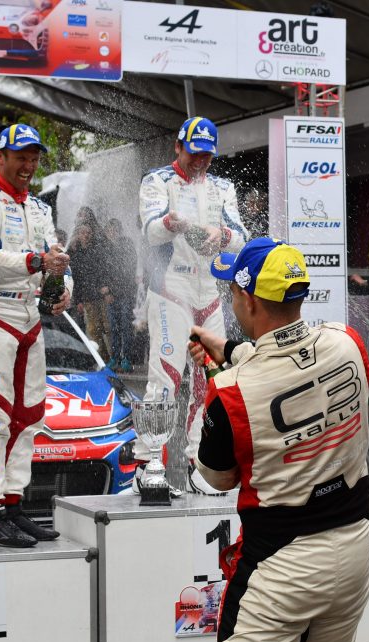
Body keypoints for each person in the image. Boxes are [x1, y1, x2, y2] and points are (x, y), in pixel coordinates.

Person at [188, 237, 369, 642]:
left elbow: (217, 477)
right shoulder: (346, 342)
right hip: (355, 541)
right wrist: (222, 348)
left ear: (247, 300)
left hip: (281, 559)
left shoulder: (230, 392)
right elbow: (287, 358)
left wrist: (217, 374)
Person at [0, 122, 71, 549]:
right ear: (0, 157)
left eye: (34, 157)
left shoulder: (41, 208)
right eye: (20, 156)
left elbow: (57, 262)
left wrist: (65, 291)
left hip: (30, 317)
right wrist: (37, 260)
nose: (28, 164)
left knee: (30, 415)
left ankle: (13, 504)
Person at [138, 115, 247, 494]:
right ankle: (147, 466)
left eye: (208, 156)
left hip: (208, 292)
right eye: (195, 153)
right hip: (171, 288)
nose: (201, 161)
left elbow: (242, 236)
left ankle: (199, 466)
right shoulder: (157, 181)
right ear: (178, 147)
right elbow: (150, 231)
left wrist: (223, 234)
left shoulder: (222, 187)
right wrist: (172, 223)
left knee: (210, 382)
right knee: (165, 378)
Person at [68, 207, 111, 360]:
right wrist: (78, 299)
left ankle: (113, 357)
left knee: (107, 327)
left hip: (101, 293)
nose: (85, 236)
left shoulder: (98, 247)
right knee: (93, 329)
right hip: (87, 295)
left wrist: (107, 289)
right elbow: (76, 277)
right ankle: (102, 358)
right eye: (82, 233)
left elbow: (105, 268)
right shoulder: (75, 251)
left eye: (88, 233)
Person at [104, 217, 137, 371]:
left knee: (126, 327)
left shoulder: (127, 244)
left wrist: (114, 290)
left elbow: (129, 270)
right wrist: (105, 291)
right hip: (111, 296)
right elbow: (101, 271)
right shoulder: (104, 248)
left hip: (125, 294)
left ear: (119, 231)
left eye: (115, 230)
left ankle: (127, 359)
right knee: (114, 328)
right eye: (110, 230)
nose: (112, 233)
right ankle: (115, 357)